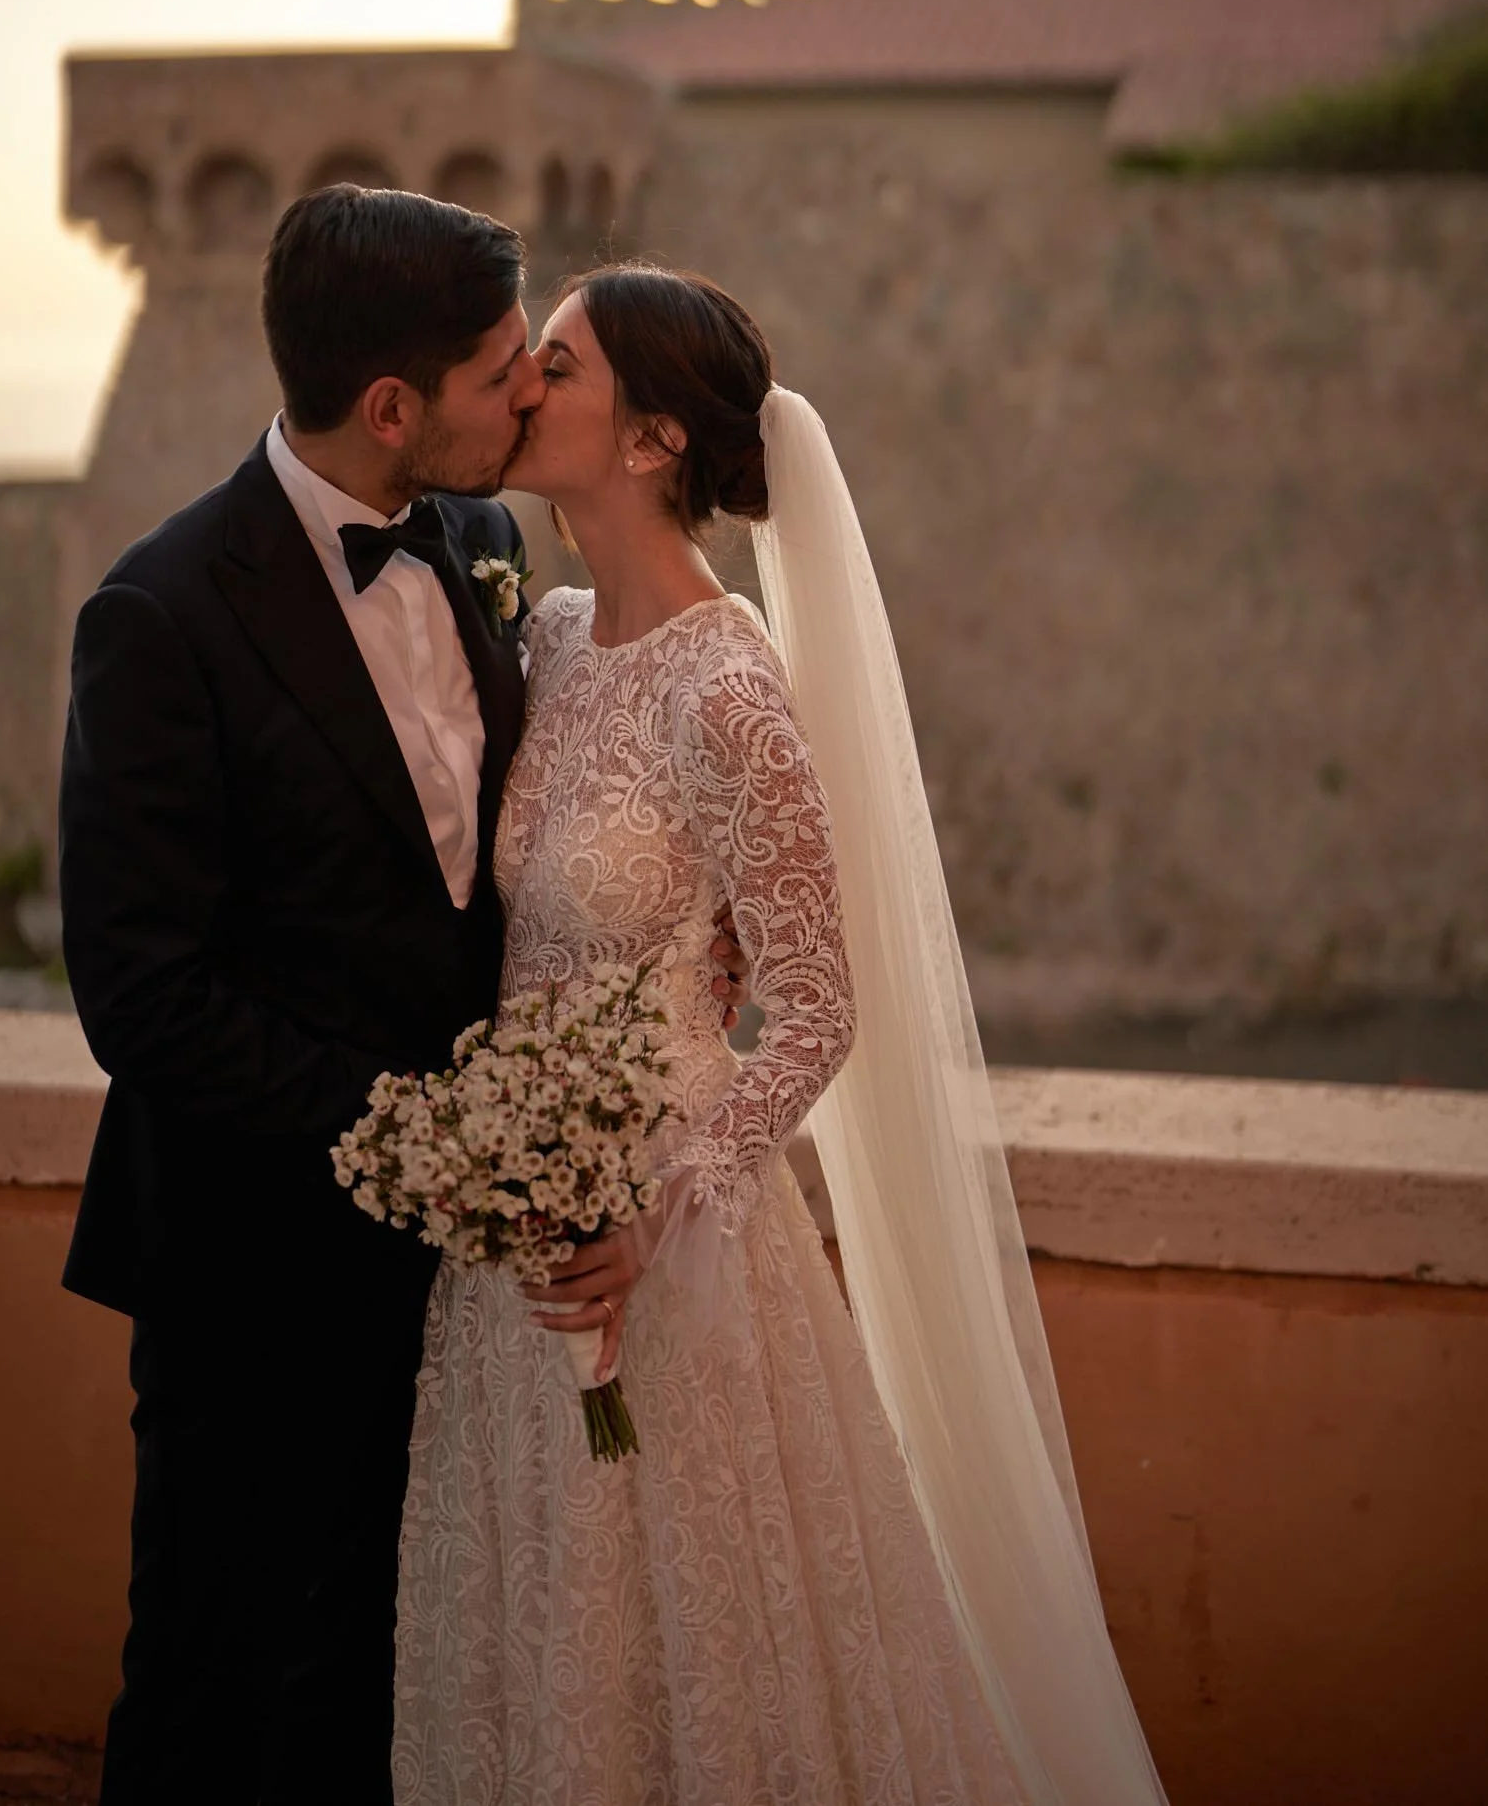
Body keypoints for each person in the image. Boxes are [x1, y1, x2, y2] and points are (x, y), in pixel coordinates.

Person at [393, 265, 1170, 1806]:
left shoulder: (732, 689)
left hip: (669, 1251)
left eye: (555, 361)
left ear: (650, 441)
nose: (523, 383)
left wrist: (662, 1193)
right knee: (538, 1627)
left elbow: (813, 1003)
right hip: (507, 1249)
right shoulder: (541, 637)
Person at [58, 187, 743, 1805]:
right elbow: (141, 995)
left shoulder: (486, 540)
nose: (527, 391)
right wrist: (416, 1138)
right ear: (390, 407)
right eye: (506, 368)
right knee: (219, 1681)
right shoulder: (158, 618)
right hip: (251, 1261)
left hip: (469, 1285)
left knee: (408, 1675)